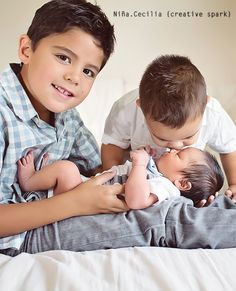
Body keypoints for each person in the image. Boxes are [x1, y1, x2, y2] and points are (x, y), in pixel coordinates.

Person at [0, 0, 128, 253]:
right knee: (160, 226)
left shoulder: (67, 118)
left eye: (89, 72)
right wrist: (74, 203)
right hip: (16, 239)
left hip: (59, 220)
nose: (75, 77)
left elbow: (98, 170)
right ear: (26, 49)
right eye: (63, 57)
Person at [101, 55, 236, 205]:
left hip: (177, 184)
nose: (176, 146)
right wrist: (113, 181)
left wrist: (234, 183)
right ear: (142, 110)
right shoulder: (126, 109)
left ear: (204, 107)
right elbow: (112, 145)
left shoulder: (212, 113)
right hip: (135, 178)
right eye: (163, 139)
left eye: (188, 137)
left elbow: (230, 147)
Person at [17, 146, 224, 209]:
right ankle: (41, 186)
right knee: (68, 171)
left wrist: (141, 165)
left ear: (182, 183)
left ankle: (29, 182)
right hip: (86, 191)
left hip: (84, 202)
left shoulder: (166, 188)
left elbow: (137, 200)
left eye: (179, 155)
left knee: (67, 170)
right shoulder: (159, 176)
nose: (172, 149)